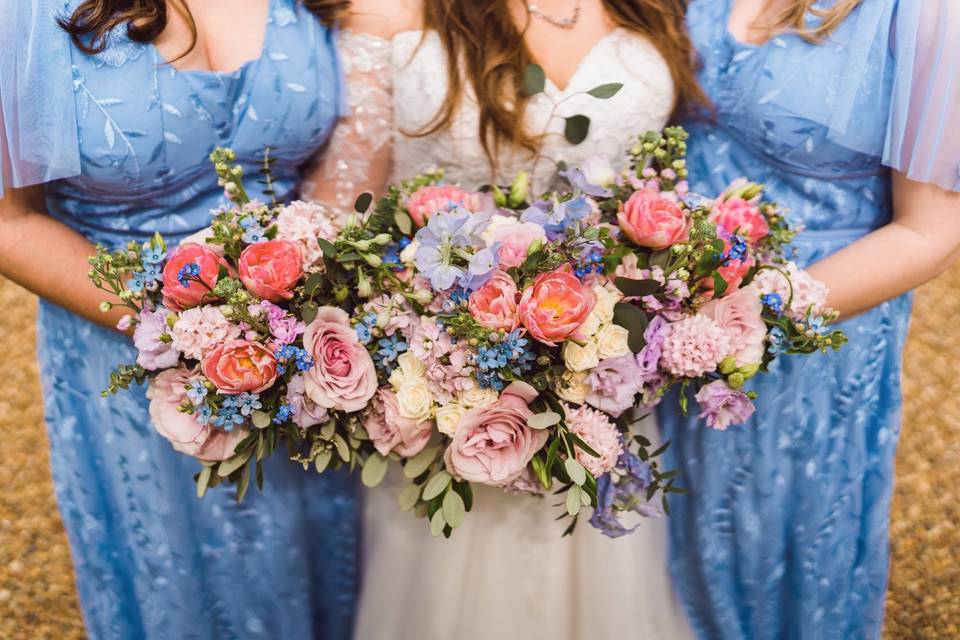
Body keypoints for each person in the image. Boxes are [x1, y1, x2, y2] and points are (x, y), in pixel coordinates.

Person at [303, 1, 703, 637]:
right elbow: (342, 214)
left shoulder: (655, 7)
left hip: (607, 374)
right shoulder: (390, 11)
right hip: (446, 384)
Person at [0, 1, 359, 637]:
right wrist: (183, 331)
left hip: (311, 359)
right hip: (131, 358)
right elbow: (11, 220)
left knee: (330, 572)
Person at [657, 0, 960, 638]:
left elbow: (930, 236)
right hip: (657, 328)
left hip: (813, 344)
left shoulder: (927, 12)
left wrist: (744, 317)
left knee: (771, 560)